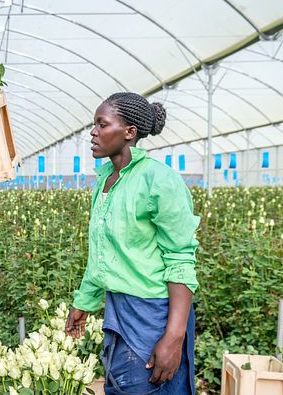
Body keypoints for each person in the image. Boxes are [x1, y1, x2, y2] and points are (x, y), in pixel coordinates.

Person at [65, 92, 199, 395]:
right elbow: (101, 254)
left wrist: (173, 337)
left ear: (129, 133)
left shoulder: (158, 180)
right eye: (94, 124)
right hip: (119, 310)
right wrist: (83, 303)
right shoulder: (106, 181)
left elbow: (180, 259)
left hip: (154, 315)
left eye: (102, 124)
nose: (93, 132)